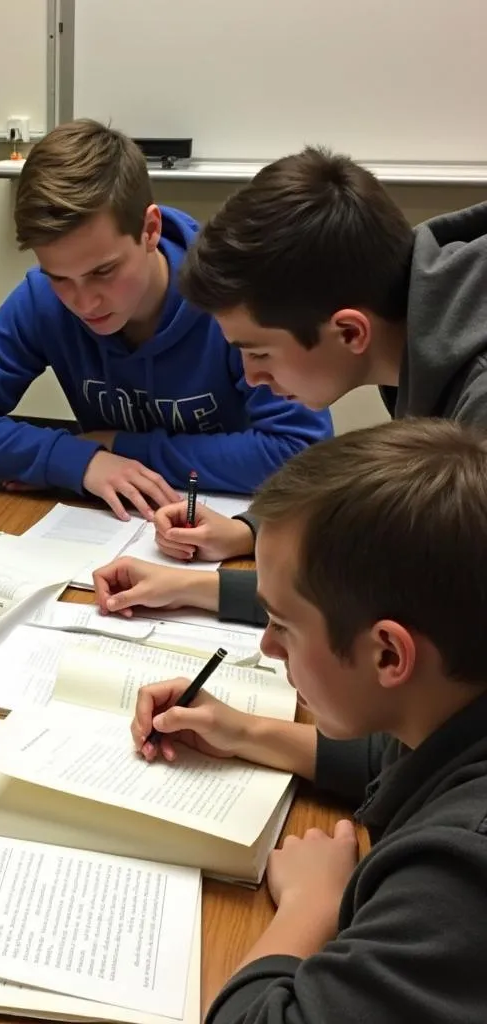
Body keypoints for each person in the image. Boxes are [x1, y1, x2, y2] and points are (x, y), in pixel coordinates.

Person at [131, 419, 487, 1023]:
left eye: (284, 624)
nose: (268, 646)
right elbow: (396, 753)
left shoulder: (457, 879)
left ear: (388, 655)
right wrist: (241, 730)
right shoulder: (454, 699)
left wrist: (311, 905)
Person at [95, 147, 487, 621]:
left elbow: (431, 602)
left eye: (258, 352)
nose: (252, 376)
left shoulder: (477, 401)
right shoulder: (423, 315)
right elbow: (405, 516)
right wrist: (252, 530)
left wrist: (208, 589)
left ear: (349, 332)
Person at [0, 120, 331, 521]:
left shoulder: (236, 299)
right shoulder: (42, 299)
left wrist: (121, 447)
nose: (83, 302)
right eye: (60, 277)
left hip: (230, 527)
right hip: (110, 526)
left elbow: (300, 453)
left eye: (103, 271)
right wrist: (77, 461)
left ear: (149, 229)